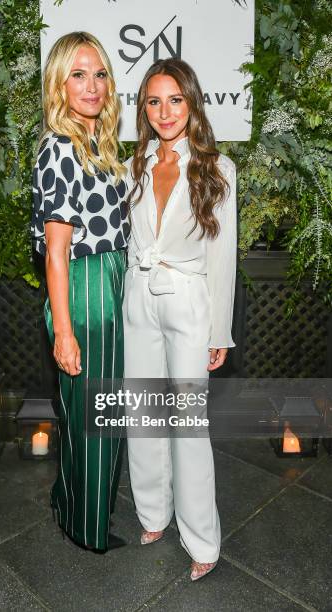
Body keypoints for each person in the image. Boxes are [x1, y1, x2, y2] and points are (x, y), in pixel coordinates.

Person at [123, 58, 237, 580]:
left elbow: (223, 256)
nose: (164, 111)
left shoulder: (217, 167)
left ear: (190, 101)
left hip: (189, 298)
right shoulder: (136, 163)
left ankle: (202, 539)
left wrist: (220, 331)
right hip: (138, 295)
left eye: (174, 99)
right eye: (153, 101)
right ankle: (152, 513)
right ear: (143, 109)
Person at [30, 32, 129, 552]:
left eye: (100, 74)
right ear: (59, 82)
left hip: (105, 280)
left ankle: (72, 505)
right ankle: (87, 529)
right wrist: (64, 332)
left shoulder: (94, 142)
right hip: (87, 290)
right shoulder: (63, 148)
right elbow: (56, 252)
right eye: (78, 74)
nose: (92, 86)